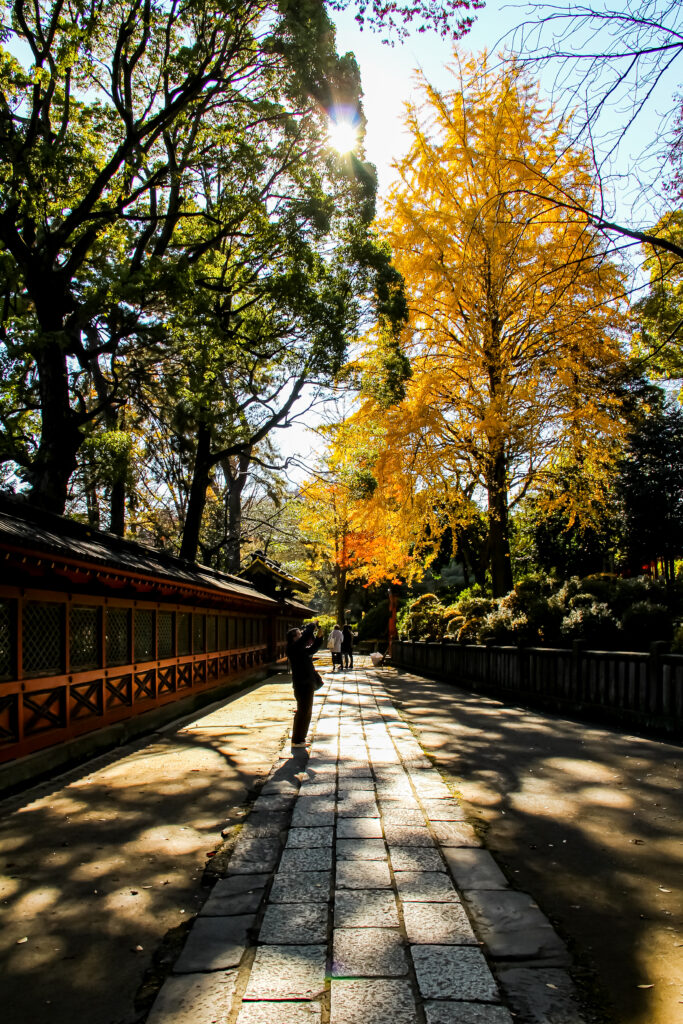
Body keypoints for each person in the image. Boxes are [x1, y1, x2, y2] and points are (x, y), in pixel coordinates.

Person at [286, 622, 323, 749]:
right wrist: (311, 626)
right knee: (302, 712)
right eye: (299, 635)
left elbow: (313, 649)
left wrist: (319, 638)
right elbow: (304, 638)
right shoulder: (292, 649)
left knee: (307, 712)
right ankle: (297, 739)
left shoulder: (300, 649)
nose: (301, 636)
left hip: (308, 683)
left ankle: (301, 738)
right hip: (301, 684)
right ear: (294, 638)